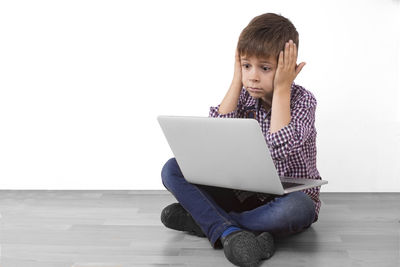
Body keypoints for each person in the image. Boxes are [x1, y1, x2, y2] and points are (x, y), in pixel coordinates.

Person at [160, 12, 322, 267]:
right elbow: (218, 138)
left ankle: (210, 221)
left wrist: (281, 89)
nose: (253, 76)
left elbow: (277, 149)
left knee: (299, 208)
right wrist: (237, 78)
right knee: (172, 168)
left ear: (288, 70)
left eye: (265, 68)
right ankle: (231, 232)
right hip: (243, 194)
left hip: (283, 199)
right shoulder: (246, 95)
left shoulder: (304, 101)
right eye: (247, 66)